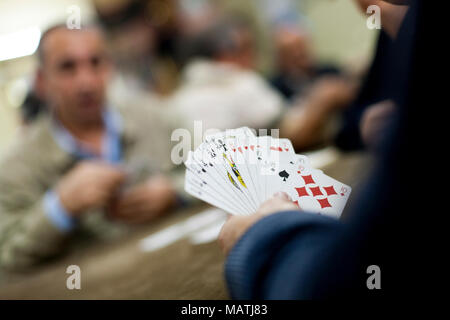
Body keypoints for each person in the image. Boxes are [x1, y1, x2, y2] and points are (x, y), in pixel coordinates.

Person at [218, 0, 425, 299]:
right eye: (292, 51)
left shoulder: (328, 69)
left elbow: (335, 286)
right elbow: (331, 129)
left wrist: (262, 238)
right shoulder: (273, 86)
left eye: (303, 47)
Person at [0, 25, 184, 271]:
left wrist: (175, 193)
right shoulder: (17, 165)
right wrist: (59, 208)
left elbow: (219, 172)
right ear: (42, 81)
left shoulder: (155, 118)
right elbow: (8, 259)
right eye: (67, 67)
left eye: (95, 63)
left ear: (109, 68)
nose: (86, 82)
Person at [168, 16, 284, 133]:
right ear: (222, 55)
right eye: (246, 48)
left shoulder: (177, 100)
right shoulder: (247, 83)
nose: (254, 56)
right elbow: (284, 126)